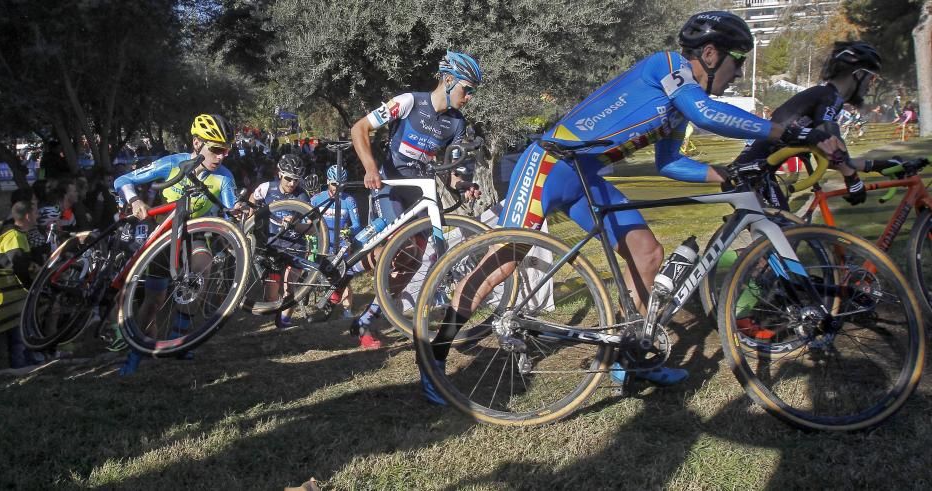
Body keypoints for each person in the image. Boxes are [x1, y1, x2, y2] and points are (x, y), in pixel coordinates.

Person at [424, 11, 845, 404]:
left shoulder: (680, 105)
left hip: (586, 176)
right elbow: (707, 113)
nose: (737, 74)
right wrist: (786, 129)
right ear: (711, 54)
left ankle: (631, 356)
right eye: (738, 61)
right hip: (550, 164)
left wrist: (723, 175)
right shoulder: (665, 68)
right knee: (506, 259)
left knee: (647, 252)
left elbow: (670, 163)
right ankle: (434, 359)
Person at [347, 50, 484, 349]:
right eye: (467, 90)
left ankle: (366, 320)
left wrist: (463, 184)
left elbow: (453, 170)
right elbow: (360, 128)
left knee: (412, 262)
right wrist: (371, 168)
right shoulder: (410, 101)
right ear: (448, 80)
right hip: (391, 185)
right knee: (400, 246)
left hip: (420, 192)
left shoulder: (456, 123)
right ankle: (344, 269)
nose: (469, 98)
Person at [114, 113, 239, 375]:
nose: (221, 156)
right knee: (153, 300)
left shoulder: (224, 177)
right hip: (163, 237)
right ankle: (134, 355)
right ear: (196, 143)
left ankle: (179, 339)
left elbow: (232, 210)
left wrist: (242, 210)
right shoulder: (172, 163)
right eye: (216, 149)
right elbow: (122, 181)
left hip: (196, 236)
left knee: (202, 269)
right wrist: (135, 200)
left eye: (226, 151)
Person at [734, 41, 885, 210]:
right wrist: (852, 178)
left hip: (754, 172)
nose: (871, 85)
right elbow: (832, 145)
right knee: (786, 232)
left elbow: (835, 159)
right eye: (872, 78)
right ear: (858, 74)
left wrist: (881, 166)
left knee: (785, 231)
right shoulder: (830, 97)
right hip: (752, 175)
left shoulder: (822, 95)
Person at [241, 153, 310, 330]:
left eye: (296, 180)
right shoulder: (266, 188)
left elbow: (310, 225)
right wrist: (252, 218)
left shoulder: (302, 195)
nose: (292, 183)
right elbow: (252, 200)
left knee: (289, 287)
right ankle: (275, 317)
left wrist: (295, 225)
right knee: (271, 293)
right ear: (279, 173)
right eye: (288, 178)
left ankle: (284, 323)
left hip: (295, 247)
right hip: (272, 247)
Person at [0, 200, 42, 368]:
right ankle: (20, 367)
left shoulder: (20, 234)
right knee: (18, 335)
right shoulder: (13, 236)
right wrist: (32, 271)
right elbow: (18, 265)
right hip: (13, 293)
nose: (38, 215)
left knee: (26, 330)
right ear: (28, 216)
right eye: (36, 212)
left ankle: (31, 360)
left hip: (22, 292)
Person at [310, 165, 363, 318]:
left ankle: (347, 311)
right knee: (322, 278)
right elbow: (309, 223)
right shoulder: (316, 199)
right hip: (323, 244)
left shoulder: (349, 200)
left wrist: (348, 232)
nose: (336, 188)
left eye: (340, 185)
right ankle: (324, 308)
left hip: (341, 247)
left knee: (344, 279)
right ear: (327, 181)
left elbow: (357, 225)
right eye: (334, 184)